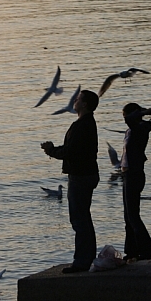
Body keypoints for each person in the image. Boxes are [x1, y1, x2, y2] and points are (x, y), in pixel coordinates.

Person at [41, 90, 100, 273]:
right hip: (87, 174)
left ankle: (82, 262)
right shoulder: (88, 124)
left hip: (80, 177)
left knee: (79, 220)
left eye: (78, 98)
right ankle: (87, 258)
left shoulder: (82, 125)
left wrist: (51, 150)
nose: (75, 100)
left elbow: (70, 151)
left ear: (84, 104)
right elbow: (73, 149)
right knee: (83, 219)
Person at [120, 103, 151, 262]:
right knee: (128, 216)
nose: (123, 117)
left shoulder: (139, 128)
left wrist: (141, 112)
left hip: (134, 175)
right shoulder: (133, 129)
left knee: (133, 215)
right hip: (127, 175)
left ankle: (148, 251)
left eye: (124, 114)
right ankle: (132, 252)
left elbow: (130, 119)